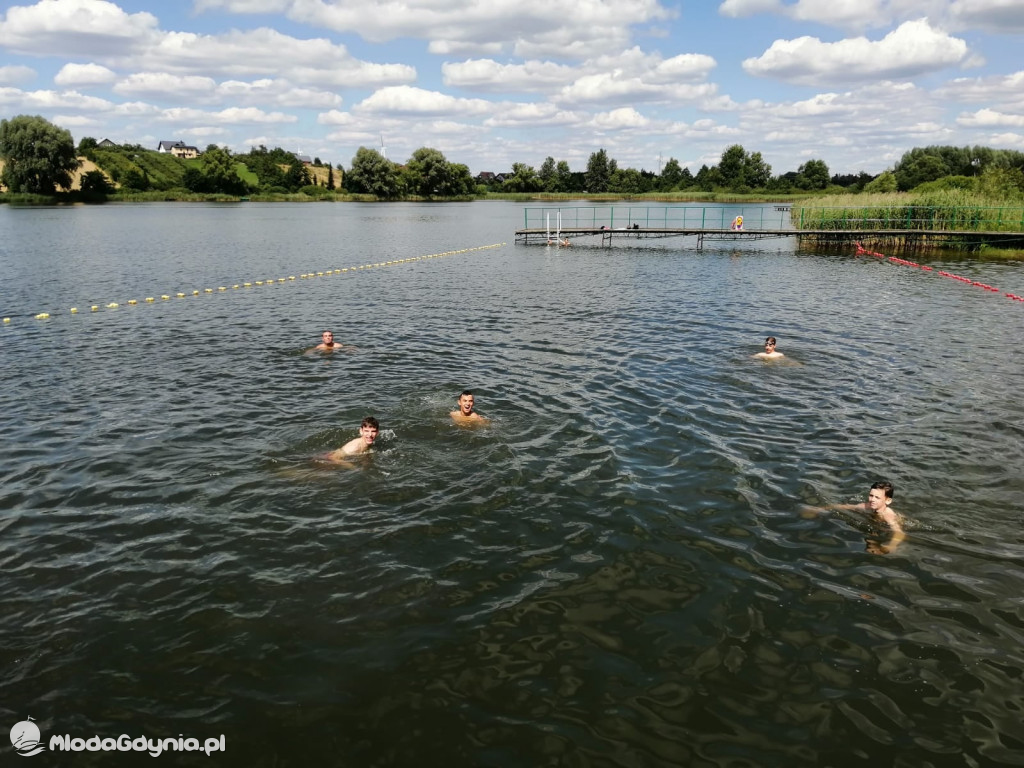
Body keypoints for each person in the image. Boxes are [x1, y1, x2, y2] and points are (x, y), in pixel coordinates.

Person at [805, 481, 906, 555]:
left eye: (877, 497)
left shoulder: (888, 515)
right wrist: (819, 509)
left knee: (877, 535)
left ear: (887, 501)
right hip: (874, 522)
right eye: (871, 495)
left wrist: (892, 545)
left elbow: (899, 532)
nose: (872, 500)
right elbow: (845, 506)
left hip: (885, 526)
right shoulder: (865, 507)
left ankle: (876, 548)